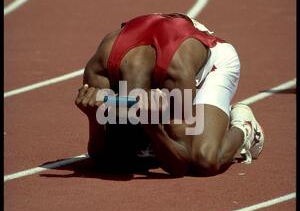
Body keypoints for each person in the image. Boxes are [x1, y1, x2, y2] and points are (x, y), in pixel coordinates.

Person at [75, 12, 264, 176]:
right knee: (125, 149)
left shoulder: (176, 74)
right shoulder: (100, 69)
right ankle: (141, 134)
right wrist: (94, 119)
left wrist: (153, 127)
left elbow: (181, 165)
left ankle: (244, 127)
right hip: (160, 39)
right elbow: (103, 159)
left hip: (212, 62)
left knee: (204, 160)